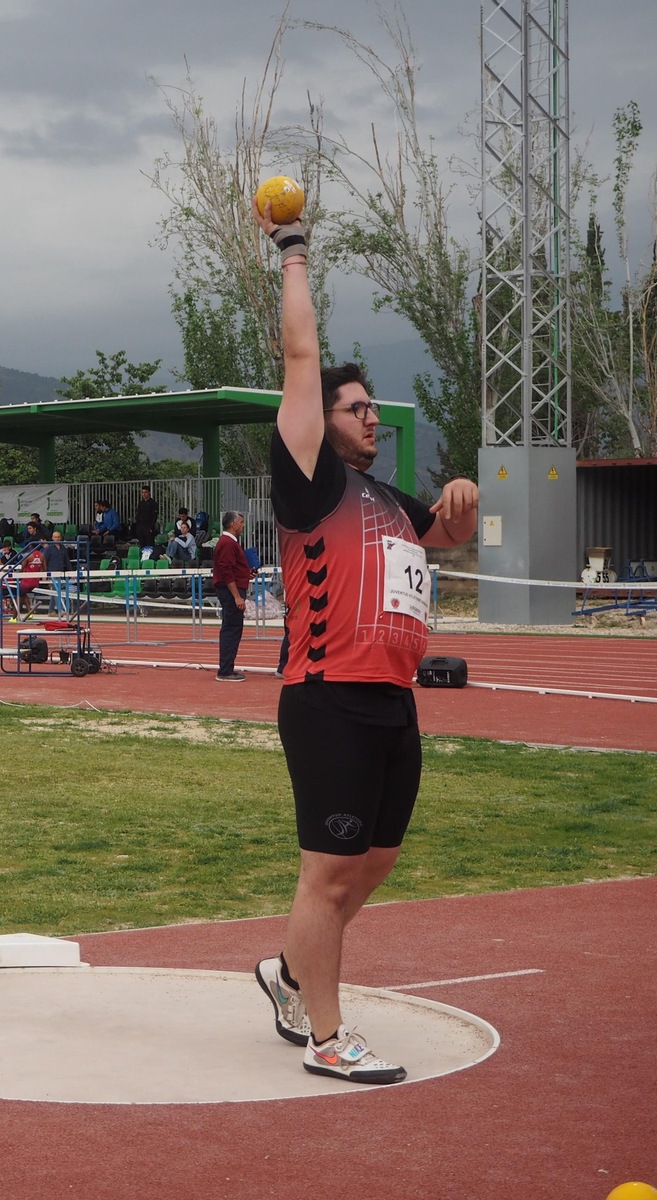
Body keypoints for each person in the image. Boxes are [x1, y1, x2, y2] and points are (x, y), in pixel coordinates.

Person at [251, 195, 479, 1085]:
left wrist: (462, 497)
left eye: (373, 410)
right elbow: (301, 355)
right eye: (354, 408)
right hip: (327, 696)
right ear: (321, 419)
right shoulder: (309, 481)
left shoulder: (389, 502)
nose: (370, 418)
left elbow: (449, 537)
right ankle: (327, 1035)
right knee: (329, 872)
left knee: (372, 864)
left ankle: (291, 974)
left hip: (393, 702)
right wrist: (293, 251)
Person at [211, 512, 251, 680]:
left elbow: (231, 569)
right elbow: (226, 571)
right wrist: (236, 596)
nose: (243, 525)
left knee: (232, 628)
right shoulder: (228, 543)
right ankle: (226, 670)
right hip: (230, 592)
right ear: (233, 524)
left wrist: (246, 574)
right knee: (232, 629)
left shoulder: (228, 542)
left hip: (230, 589)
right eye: (241, 522)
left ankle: (227, 667)